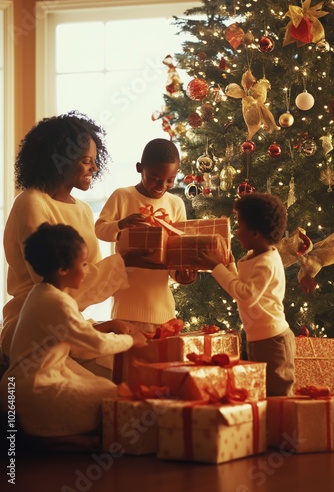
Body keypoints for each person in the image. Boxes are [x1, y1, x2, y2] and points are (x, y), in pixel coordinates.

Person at [0, 110, 144, 372]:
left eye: (95, 160)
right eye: (86, 160)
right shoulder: (31, 203)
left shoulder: (83, 210)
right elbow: (57, 287)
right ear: (61, 160)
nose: (95, 168)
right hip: (32, 330)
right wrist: (124, 263)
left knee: (135, 366)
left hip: (68, 323)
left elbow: (87, 282)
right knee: (113, 381)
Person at [0, 223, 147, 448]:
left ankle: (46, 434)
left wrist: (109, 325)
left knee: (103, 386)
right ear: (63, 270)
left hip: (19, 386)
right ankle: (42, 436)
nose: (88, 270)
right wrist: (131, 341)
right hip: (34, 391)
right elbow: (95, 344)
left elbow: (75, 335)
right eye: (84, 264)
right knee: (114, 398)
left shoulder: (39, 293)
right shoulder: (57, 302)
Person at [188, 192, 296, 396]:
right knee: (262, 391)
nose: (237, 232)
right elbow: (240, 284)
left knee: (279, 395)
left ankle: (285, 426)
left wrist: (216, 267)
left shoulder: (266, 262)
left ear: (255, 233)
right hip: (258, 338)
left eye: (240, 226)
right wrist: (227, 264)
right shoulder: (254, 256)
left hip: (273, 341)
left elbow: (245, 295)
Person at [95, 138, 197, 336]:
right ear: (139, 168)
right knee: (129, 364)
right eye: (154, 178)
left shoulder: (176, 204)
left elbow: (177, 252)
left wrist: (181, 275)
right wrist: (121, 225)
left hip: (162, 307)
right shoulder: (122, 196)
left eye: (170, 180)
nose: (162, 185)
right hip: (127, 304)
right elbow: (100, 230)